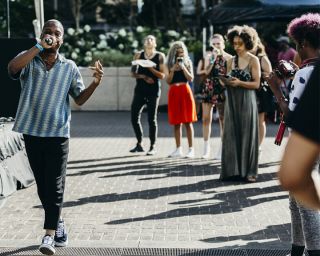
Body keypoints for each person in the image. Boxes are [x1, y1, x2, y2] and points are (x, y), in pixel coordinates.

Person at [7, 19, 104, 255]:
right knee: (43, 185)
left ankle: (48, 235)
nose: (51, 35)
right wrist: (38, 47)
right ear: (41, 35)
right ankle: (58, 222)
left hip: (58, 133)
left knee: (56, 184)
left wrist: (95, 83)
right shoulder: (30, 58)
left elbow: (79, 99)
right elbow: (12, 68)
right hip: (32, 132)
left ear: (62, 39)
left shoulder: (69, 67)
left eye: (55, 33)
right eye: (47, 32)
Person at [267, 13, 320, 256]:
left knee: (304, 199)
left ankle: (312, 250)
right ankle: (297, 248)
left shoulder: (305, 74)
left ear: (303, 45)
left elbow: (291, 115)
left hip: (308, 142)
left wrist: (276, 89)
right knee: (295, 199)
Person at [220, 25, 260, 182]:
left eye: (240, 43)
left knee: (247, 134)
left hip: (247, 100)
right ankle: (233, 170)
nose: (236, 47)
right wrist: (225, 81)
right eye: (234, 43)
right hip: (232, 100)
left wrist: (240, 83)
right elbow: (227, 81)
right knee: (231, 133)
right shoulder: (231, 61)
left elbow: (256, 84)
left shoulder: (253, 60)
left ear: (247, 42)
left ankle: (250, 171)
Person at [129, 35, 165, 155]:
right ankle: (139, 143)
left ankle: (152, 146)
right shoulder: (138, 55)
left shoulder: (159, 56)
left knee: (152, 119)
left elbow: (162, 75)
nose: (149, 41)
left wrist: (150, 68)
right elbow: (132, 73)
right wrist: (143, 76)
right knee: (134, 117)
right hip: (140, 90)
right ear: (144, 43)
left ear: (155, 43)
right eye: (147, 39)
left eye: (151, 39)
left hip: (153, 91)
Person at [200, 34, 232, 159]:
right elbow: (207, 72)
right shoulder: (209, 56)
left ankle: (221, 149)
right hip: (209, 86)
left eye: (218, 43)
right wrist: (212, 59)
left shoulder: (229, 57)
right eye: (214, 44)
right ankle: (206, 148)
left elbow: (229, 74)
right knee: (205, 119)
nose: (216, 46)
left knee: (223, 120)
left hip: (222, 88)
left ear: (223, 44)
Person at [165, 41, 197, 158]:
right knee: (176, 122)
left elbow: (191, 78)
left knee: (188, 122)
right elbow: (168, 81)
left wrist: (183, 67)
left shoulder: (188, 62)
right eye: (177, 54)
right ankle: (178, 149)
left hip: (185, 91)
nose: (180, 56)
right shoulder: (168, 64)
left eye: (182, 53)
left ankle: (191, 149)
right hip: (174, 91)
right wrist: (173, 70)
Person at [250, 38, 273, 152]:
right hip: (248, 91)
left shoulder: (262, 58)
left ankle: (259, 145)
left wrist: (257, 73)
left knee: (260, 120)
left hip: (260, 92)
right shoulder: (246, 57)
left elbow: (270, 74)